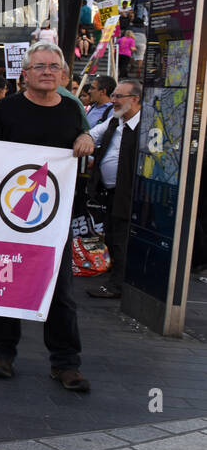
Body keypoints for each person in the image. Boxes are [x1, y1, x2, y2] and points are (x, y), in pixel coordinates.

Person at [0, 41, 94, 392]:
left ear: (63, 74)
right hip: (9, 216)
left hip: (54, 221)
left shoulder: (73, 111)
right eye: (40, 66)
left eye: (53, 67)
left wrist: (87, 136)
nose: (47, 72)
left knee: (61, 295)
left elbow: (84, 138)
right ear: (25, 74)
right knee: (7, 286)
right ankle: (3, 354)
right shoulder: (6, 110)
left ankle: (65, 363)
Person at [87, 80, 142, 299]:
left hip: (130, 192)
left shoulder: (144, 126)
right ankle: (117, 279)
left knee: (121, 238)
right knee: (111, 235)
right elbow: (92, 134)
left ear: (135, 99)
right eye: (114, 96)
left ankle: (119, 284)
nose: (113, 100)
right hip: (109, 192)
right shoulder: (115, 121)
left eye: (119, 96)